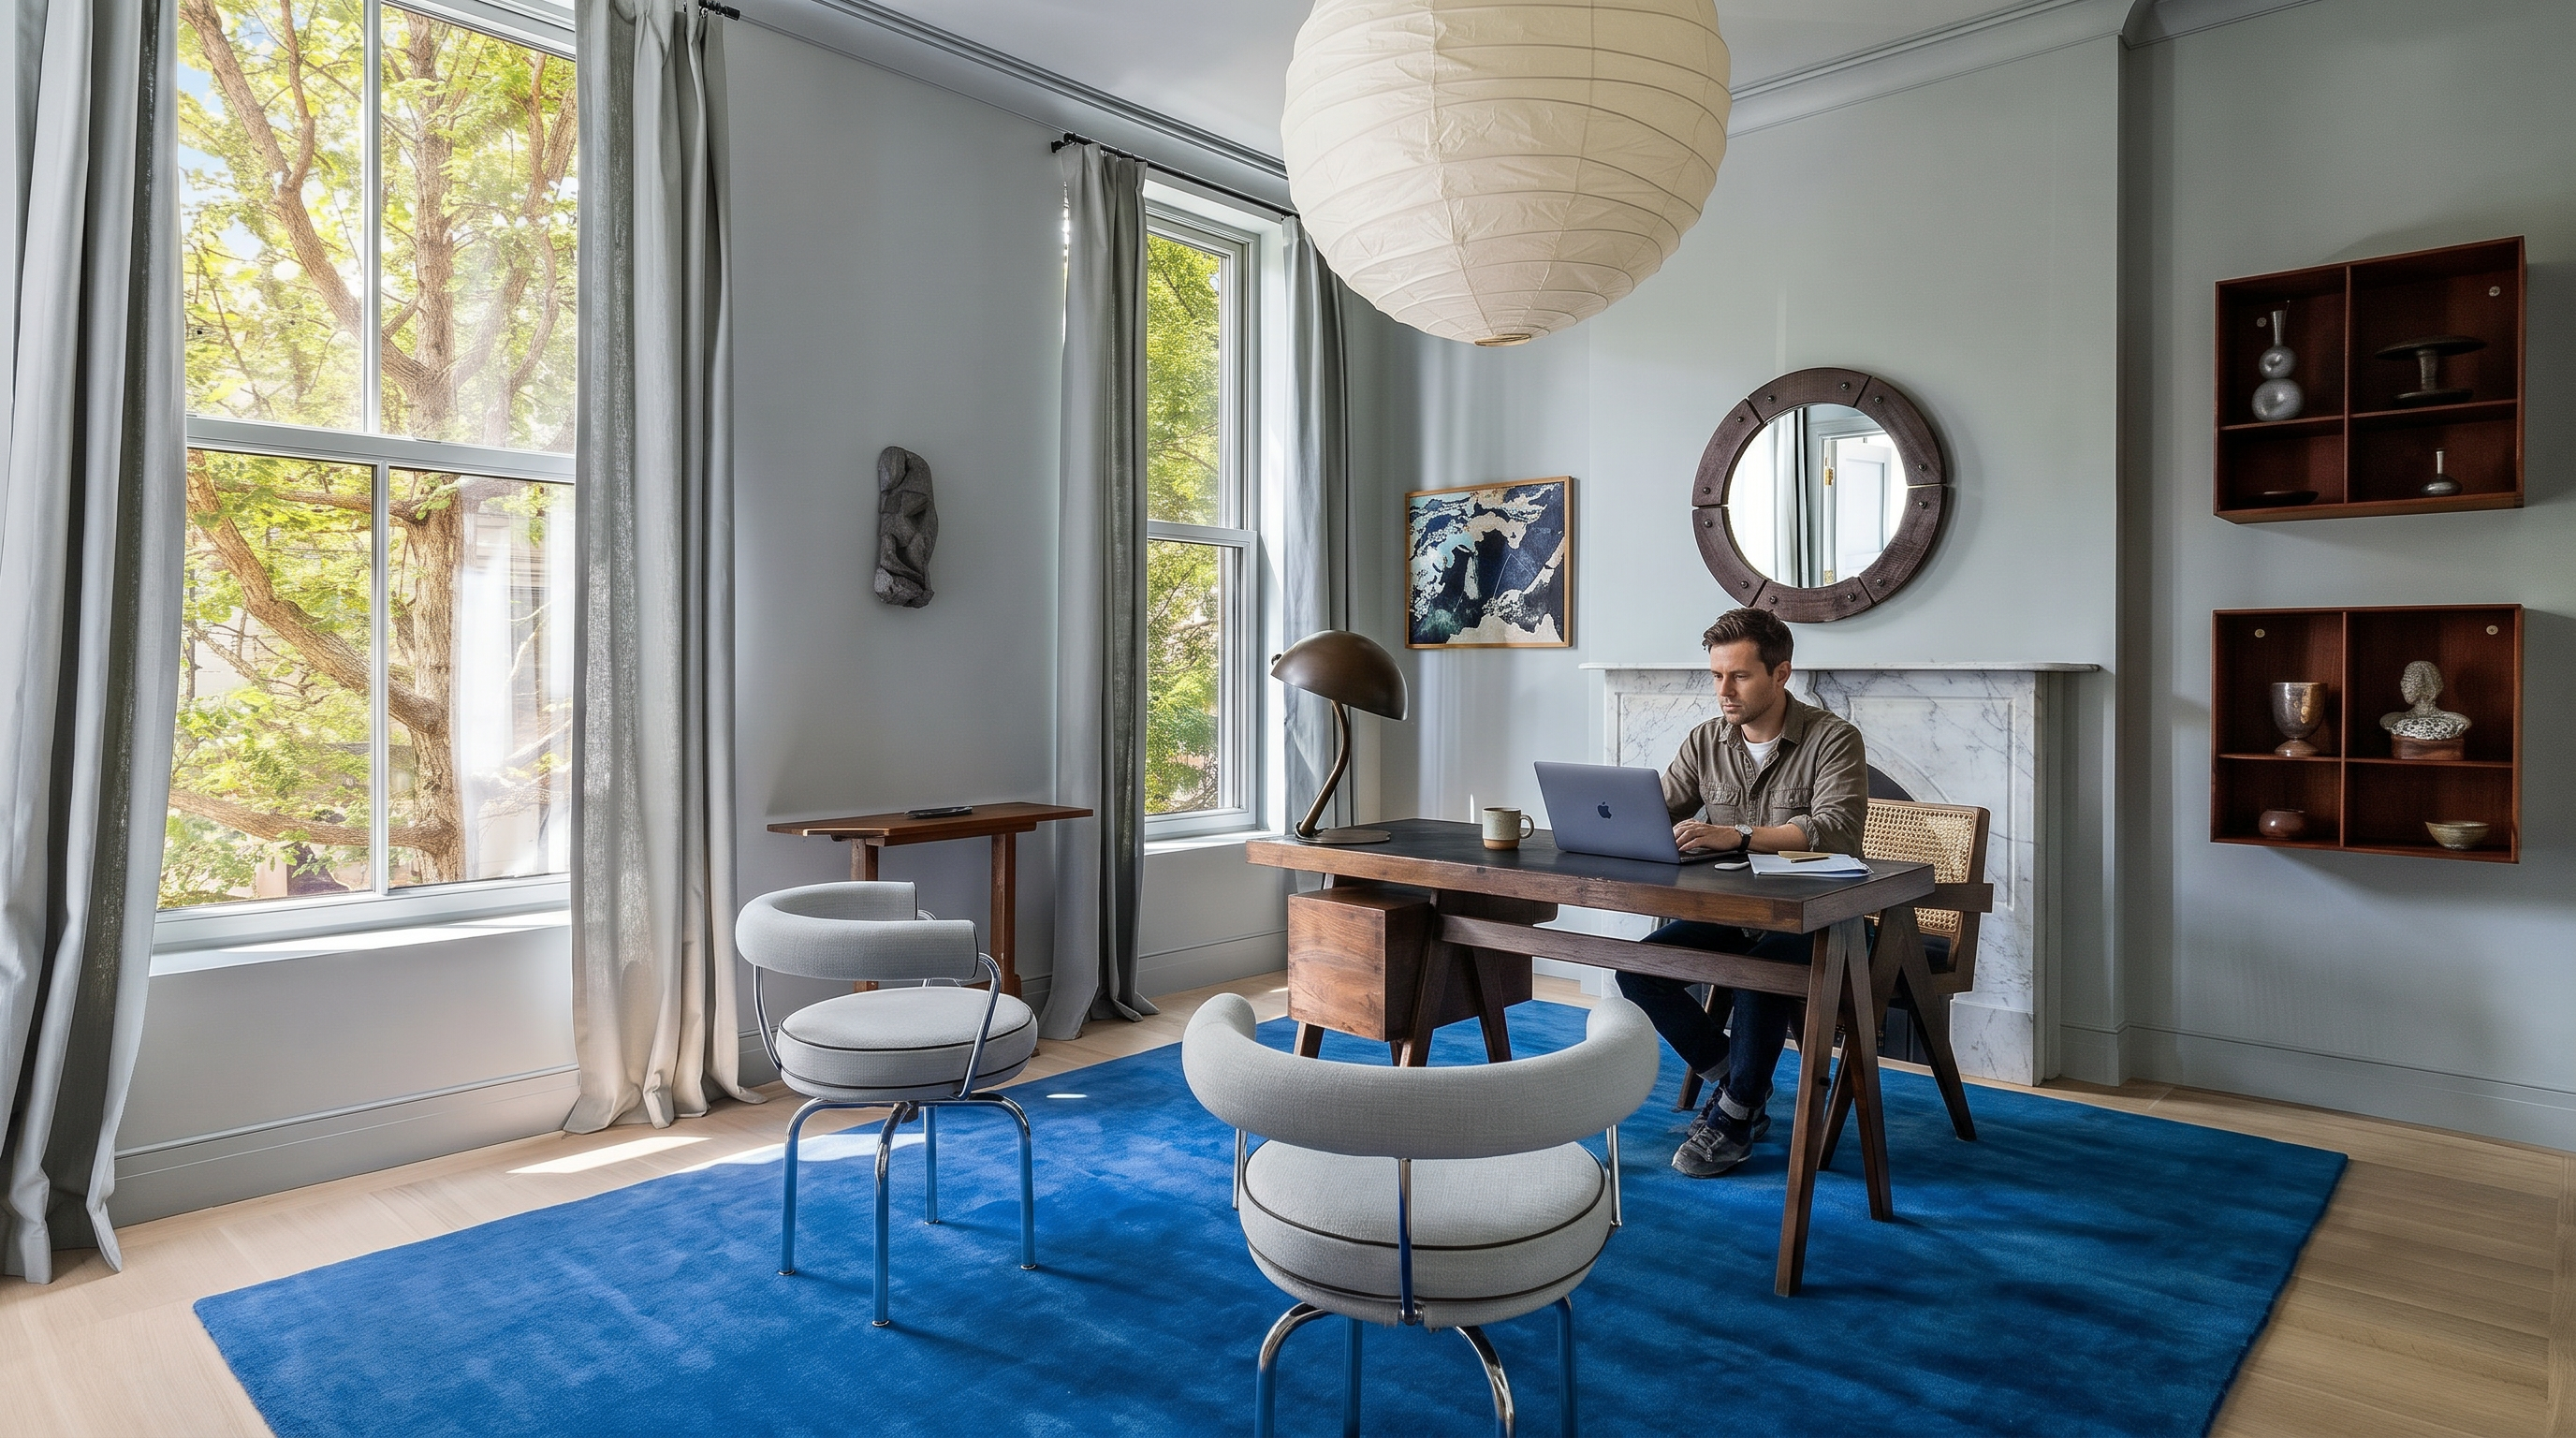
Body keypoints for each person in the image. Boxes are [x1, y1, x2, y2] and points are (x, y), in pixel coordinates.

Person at [1617, 608, 1868, 1179]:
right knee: (1637, 969)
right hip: (1735, 912)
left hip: (1823, 921)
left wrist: (1740, 835)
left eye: (1740, 676)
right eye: (1715, 676)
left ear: (1781, 674)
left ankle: (1733, 1116)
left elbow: (1836, 829)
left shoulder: (1833, 739)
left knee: (1758, 973)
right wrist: (1619, 822)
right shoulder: (1707, 740)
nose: (1723, 691)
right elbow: (1660, 809)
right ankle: (1738, 1081)